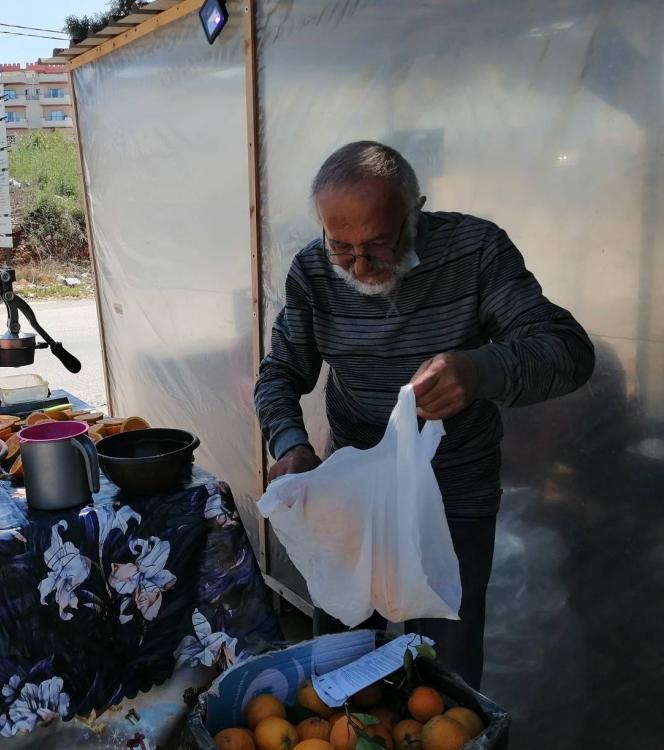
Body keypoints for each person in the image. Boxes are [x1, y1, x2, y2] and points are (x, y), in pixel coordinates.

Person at [254, 140, 594, 689]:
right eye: (342, 247)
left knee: (444, 678)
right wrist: (291, 443)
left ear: (416, 214)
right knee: (342, 662)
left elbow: (568, 351)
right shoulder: (314, 271)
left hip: (454, 494)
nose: (360, 267)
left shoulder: (476, 251)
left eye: (377, 246)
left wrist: (480, 370)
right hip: (355, 494)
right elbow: (279, 373)